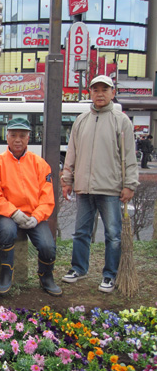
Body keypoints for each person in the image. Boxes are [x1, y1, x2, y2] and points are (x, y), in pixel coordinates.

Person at [61, 75, 139, 294]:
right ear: (90, 93)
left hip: (110, 188)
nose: (100, 93)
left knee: (113, 234)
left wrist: (129, 184)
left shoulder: (121, 120)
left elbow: (129, 156)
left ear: (112, 93)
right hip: (84, 188)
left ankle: (109, 275)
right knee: (80, 232)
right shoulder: (81, 120)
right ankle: (78, 268)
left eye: (105, 89)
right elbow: (72, 153)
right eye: (96, 90)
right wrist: (67, 179)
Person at [0, 118, 62, 297]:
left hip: (34, 215)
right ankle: (7, 274)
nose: (18, 139)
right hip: (9, 214)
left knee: (47, 246)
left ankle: (46, 276)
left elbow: (47, 198)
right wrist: (13, 212)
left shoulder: (40, 164)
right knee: (6, 232)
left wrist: (37, 217)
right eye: (13, 135)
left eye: (22, 136)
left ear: (28, 138)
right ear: (6, 137)